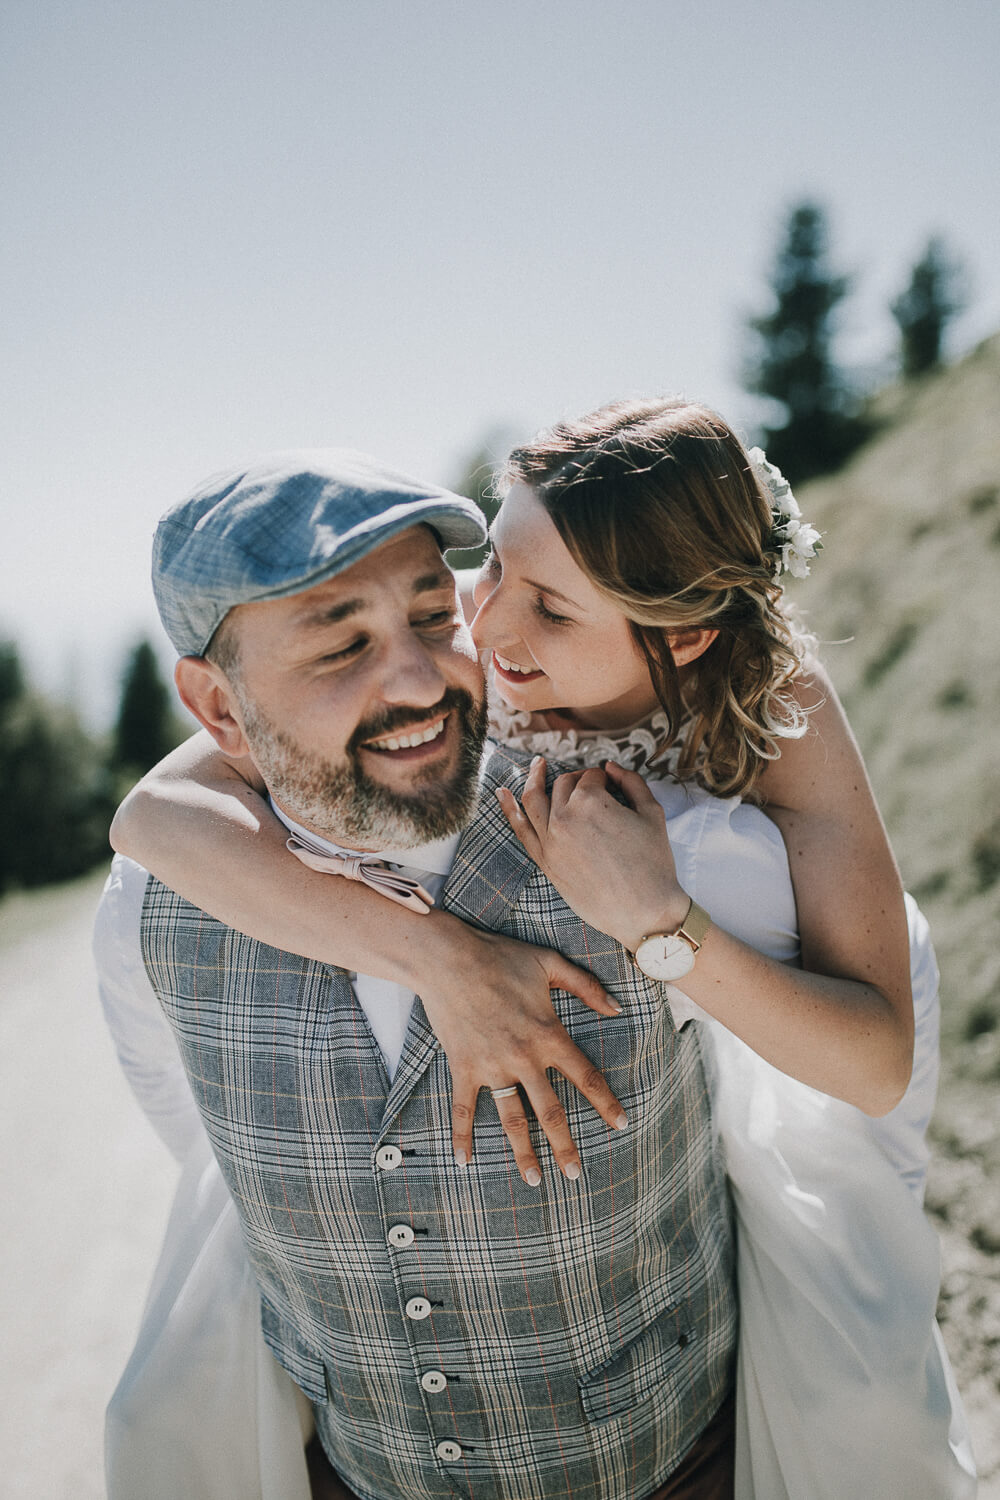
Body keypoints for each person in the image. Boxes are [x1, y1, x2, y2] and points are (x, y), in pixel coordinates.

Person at [99, 410, 976, 1496]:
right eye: (490, 573)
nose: (486, 636)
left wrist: (659, 925)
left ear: (682, 635)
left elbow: (871, 1065)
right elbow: (152, 821)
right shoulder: (189, 867)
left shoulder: (748, 774)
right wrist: (443, 960)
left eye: (546, 609)